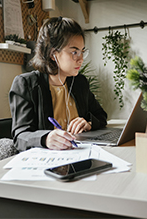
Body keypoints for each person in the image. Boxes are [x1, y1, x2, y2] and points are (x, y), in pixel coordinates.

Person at [9, 17, 107, 151]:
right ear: (53, 54)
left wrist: (88, 123)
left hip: (80, 155)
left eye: (82, 51)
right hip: (48, 163)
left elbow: (101, 116)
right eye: (74, 52)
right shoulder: (25, 84)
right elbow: (20, 136)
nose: (81, 59)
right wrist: (46, 138)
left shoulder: (79, 82)